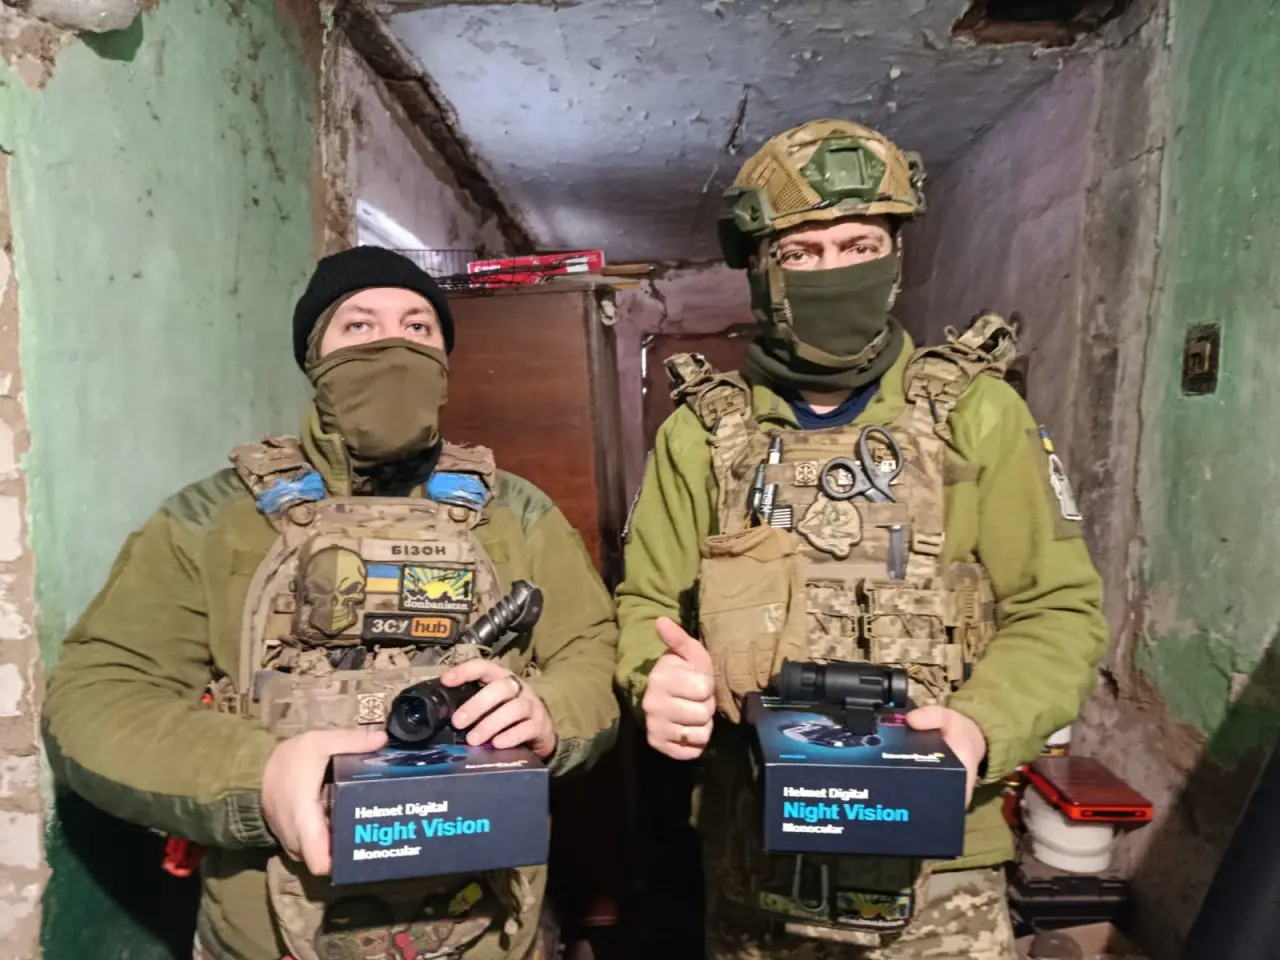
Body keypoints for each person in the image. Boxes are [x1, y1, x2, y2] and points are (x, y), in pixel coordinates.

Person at [614, 119, 1108, 959]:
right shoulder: (698, 434)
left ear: (895, 255)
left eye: (859, 245)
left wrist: (981, 725)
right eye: (800, 252)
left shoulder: (979, 415)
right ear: (759, 267)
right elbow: (645, 606)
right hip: (755, 862)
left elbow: (1058, 610)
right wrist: (651, 679)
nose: (833, 270)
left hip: (939, 875)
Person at [43, 246, 621, 960]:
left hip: (492, 932)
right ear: (313, 354)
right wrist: (256, 778)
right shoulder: (215, 521)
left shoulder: (517, 513)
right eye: (359, 326)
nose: (392, 345)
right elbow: (96, 699)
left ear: (444, 358)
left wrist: (551, 713)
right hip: (267, 937)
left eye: (417, 327)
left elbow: (593, 655)